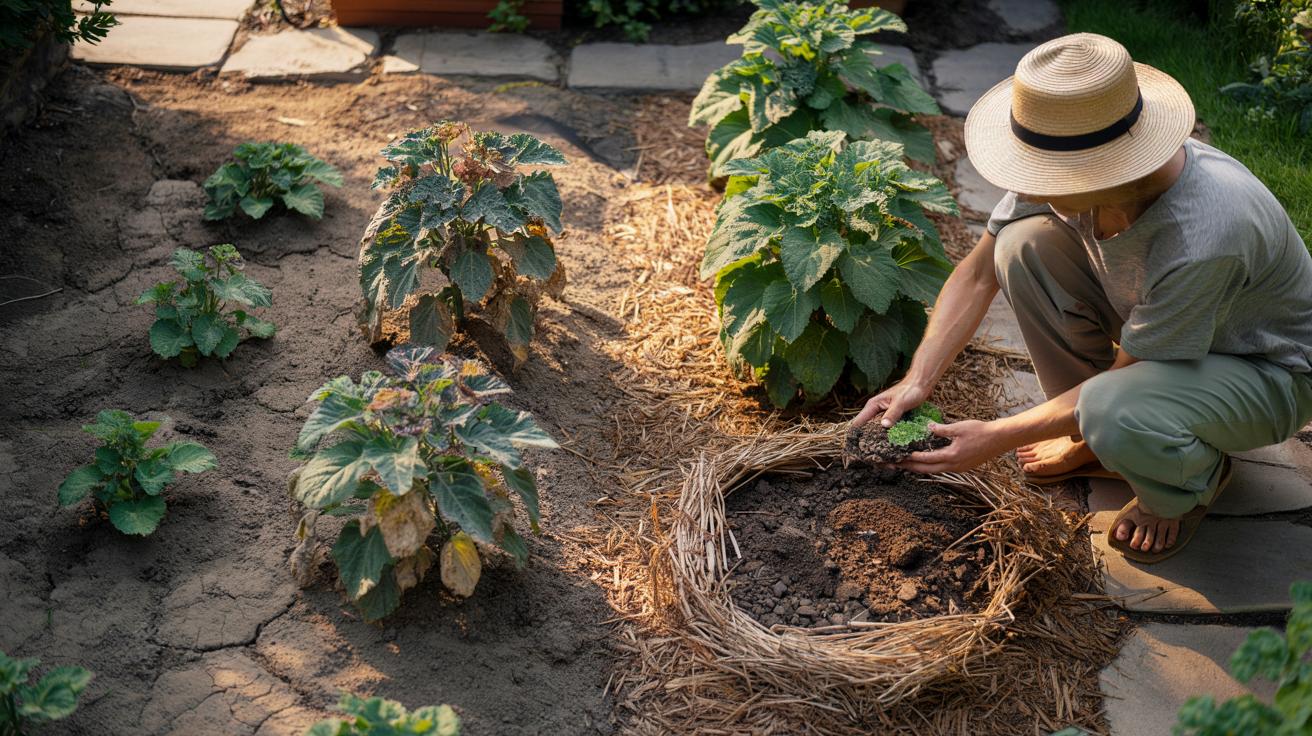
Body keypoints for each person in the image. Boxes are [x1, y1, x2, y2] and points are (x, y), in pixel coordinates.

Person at [851, 33, 1312, 563]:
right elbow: (978, 275)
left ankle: (1186, 483)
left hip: (1267, 374)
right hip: (1175, 338)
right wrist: (917, 380)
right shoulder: (1077, 158)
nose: (1027, 186)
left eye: (1039, 174)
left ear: (1100, 169)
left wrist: (995, 437)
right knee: (1020, 245)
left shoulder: (1205, 235)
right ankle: (1094, 436)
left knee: (1113, 407)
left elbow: (1127, 375)